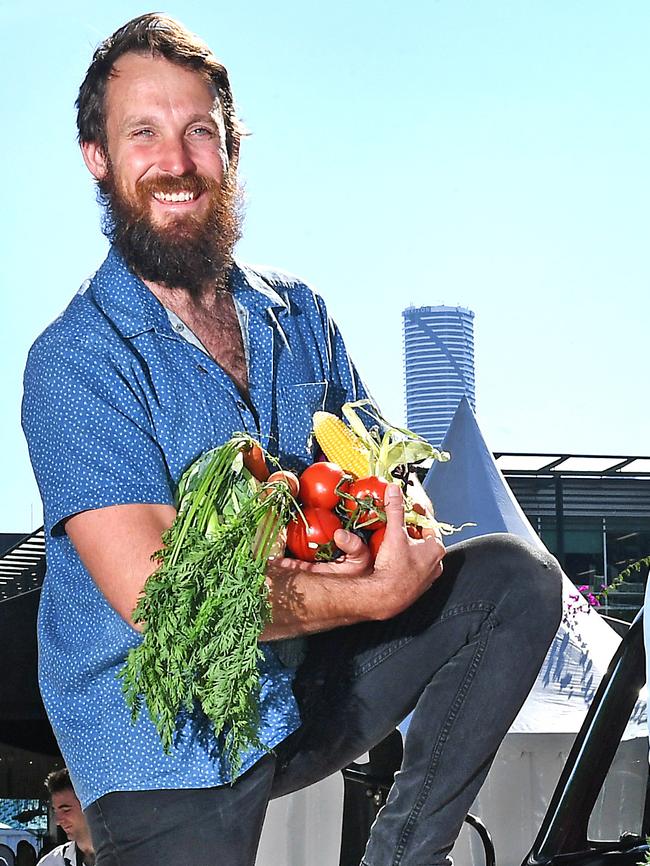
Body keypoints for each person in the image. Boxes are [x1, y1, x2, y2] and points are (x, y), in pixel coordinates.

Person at [22, 13, 562, 866]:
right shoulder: (75, 363)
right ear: (98, 156)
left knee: (513, 578)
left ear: (231, 146)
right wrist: (372, 595)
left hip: (308, 680)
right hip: (161, 736)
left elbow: (391, 465)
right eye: (144, 133)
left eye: (199, 130)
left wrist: (394, 528)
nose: (176, 161)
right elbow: (163, 606)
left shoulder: (299, 314)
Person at [37, 770, 94, 866]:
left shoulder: (124, 855)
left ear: (88, 805)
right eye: (55, 811)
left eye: (66, 810)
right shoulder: (51, 863)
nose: (58, 821)